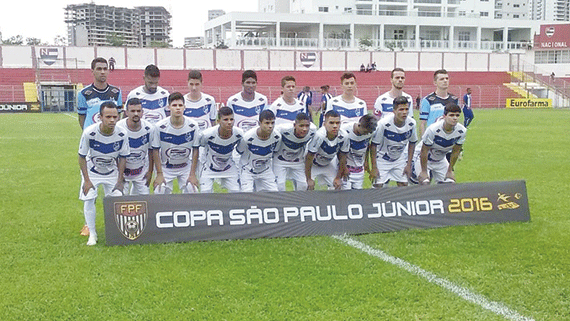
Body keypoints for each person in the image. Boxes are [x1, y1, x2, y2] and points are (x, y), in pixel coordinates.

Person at [78, 101, 129, 246]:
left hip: (111, 171)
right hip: (92, 171)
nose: (112, 120)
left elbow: (123, 157)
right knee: (89, 198)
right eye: (108, 117)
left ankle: (115, 231)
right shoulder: (89, 133)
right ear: (100, 117)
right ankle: (92, 234)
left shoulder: (122, 134)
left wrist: (120, 180)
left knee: (117, 199)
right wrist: (87, 180)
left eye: (115, 117)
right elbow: (81, 157)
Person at [188, 107, 244, 193]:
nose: (229, 122)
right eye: (225, 120)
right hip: (208, 167)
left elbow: (241, 150)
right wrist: (193, 172)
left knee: (236, 191)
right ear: (218, 121)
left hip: (228, 167)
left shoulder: (239, 134)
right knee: (205, 193)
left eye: (231, 119)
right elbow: (199, 147)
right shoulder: (207, 135)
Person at [154, 92, 200, 194]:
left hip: (185, 167)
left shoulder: (193, 126)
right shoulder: (159, 127)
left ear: (184, 107)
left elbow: (196, 149)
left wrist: (192, 174)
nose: (178, 108)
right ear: (169, 107)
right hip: (166, 167)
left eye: (180, 105)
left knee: (193, 191)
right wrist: (159, 174)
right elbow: (155, 151)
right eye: (174, 105)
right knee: (159, 191)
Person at [369, 96, 418, 187]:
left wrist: (408, 164)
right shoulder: (383, 124)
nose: (404, 112)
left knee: (404, 184)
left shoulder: (411, 124)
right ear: (394, 111)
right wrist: (374, 167)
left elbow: (412, 142)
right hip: (383, 159)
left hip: (399, 159)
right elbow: (374, 145)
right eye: (401, 109)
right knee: (378, 187)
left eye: (406, 109)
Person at [116, 98, 159, 195]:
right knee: (120, 199)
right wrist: (119, 174)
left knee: (144, 200)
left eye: (138, 111)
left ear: (142, 112)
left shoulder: (149, 128)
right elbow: (114, 153)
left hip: (141, 172)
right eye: (132, 111)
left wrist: (150, 172)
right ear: (126, 112)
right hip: (123, 172)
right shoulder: (118, 128)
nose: (136, 114)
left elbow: (151, 151)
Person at [416, 103, 467, 185]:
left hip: (440, 159)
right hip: (422, 158)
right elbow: (424, 151)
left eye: (457, 115)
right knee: (424, 183)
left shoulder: (461, 131)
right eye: (451, 115)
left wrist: (450, 170)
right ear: (444, 116)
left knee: (450, 183)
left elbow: (456, 151)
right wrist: (424, 171)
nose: (455, 118)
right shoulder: (433, 129)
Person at [236, 110, 281, 192]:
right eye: (267, 123)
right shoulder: (248, 137)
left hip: (265, 170)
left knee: (275, 194)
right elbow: (240, 151)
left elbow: (275, 151)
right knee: (247, 195)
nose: (270, 126)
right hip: (247, 170)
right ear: (260, 123)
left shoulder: (277, 137)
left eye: (272, 123)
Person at [305, 110, 349, 190]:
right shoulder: (319, 135)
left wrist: (338, 177)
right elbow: (309, 157)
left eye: (337, 123)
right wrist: (308, 179)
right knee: (306, 186)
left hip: (328, 163)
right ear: (324, 124)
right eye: (331, 123)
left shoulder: (344, 136)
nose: (335, 126)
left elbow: (343, 157)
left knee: (338, 186)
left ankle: (331, 202)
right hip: (313, 165)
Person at [273, 113, 317, 191]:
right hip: (280, 161)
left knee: (303, 185)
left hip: (298, 161)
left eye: (307, 126)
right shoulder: (282, 129)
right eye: (301, 126)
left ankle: (299, 203)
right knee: (279, 186)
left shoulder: (313, 130)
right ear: (294, 125)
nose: (304, 129)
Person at [77, 57, 122, 130]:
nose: (102, 72)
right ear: (92, 72)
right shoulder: (83, 93)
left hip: (110, 135)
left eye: (105, 69)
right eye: (99, 69)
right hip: (93, 136)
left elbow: (118, 115)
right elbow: (82, 118)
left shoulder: (116, 92)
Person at [341, 114, 378, 190]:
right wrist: (343, 167)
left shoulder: (370, 132)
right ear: (359, 125)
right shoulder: (344, 131)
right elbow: (339, 151)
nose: (367, 134)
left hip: (359, 169)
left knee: (357, 194)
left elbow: (368, 146)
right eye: (365, 131)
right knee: (345, 194)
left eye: (369, 132)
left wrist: (366, 161)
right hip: (345, 168)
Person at [419, 69, 458, 136]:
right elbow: (422, 123)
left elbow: (457, 121)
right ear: (435, 82)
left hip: (449, 139)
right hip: (433, 139)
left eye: (447, 78)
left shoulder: (454, 100)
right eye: (441, 79)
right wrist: (424, 141)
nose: (445, 81)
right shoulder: (428, 100)